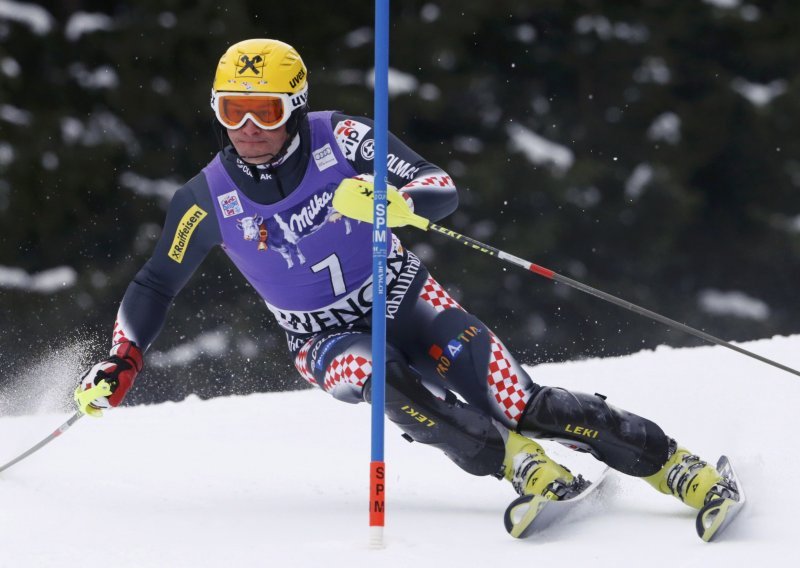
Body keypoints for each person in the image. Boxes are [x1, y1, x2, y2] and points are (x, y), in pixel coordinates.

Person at [76, 38, 737, 513]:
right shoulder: (206, 198)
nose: (248, 129)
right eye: (231, 110)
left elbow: (439, 187)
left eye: (267, 112)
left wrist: (398, 203)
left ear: (297, 107)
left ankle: (678, 468)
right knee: (376, 379)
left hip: (402, 295)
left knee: (519, 402)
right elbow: (156, 283)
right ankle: (516, 465)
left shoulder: (344, 138)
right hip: (321, 339)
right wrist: (123, 358)